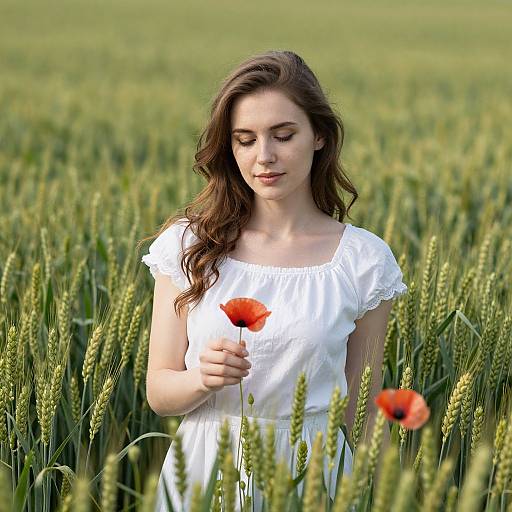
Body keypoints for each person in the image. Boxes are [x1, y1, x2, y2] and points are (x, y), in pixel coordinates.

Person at [140, 50, 408, 511]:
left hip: (315, 475)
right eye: (245, 140)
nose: (264, 157)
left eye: (283, 135)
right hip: (207, 470)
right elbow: (159, 393)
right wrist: (201, 379)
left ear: (319, 135)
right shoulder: (188, 246)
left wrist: (388, 495)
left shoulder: (363, 261)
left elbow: (363, 406)